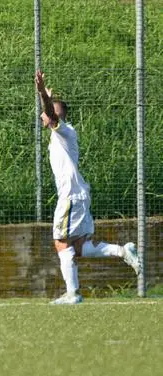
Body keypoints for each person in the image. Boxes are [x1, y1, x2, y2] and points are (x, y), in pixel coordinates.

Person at [35, 70, 141, 305]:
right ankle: (123, 251)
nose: (41, 115)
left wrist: (43, 93)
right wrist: (47, 98)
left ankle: (73, 294)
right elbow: (51, 113)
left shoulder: (63, 131)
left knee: (61, 242)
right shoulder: (62, 134)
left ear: (55, 115)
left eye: (45, 112)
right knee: (81, 247)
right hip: (79, 194)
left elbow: (51, 114)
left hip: (71, 196)